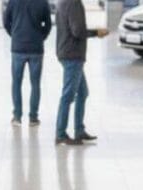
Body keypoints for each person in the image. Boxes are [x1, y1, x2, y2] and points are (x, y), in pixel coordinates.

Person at [54, 0, 107, 145]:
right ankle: (60, 134)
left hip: (66, 52)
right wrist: (97, 32)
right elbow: (77, 31)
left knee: (82, 93)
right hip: (73, 55)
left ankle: (79, 130)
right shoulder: (74, 3)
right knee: (68, 95)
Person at [3, 0, 52, 126]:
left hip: (18, 47)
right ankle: (33, 118)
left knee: (16, 83)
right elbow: (48, 25)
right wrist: (41, 37)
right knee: (35, 84)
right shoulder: (42, 2)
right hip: (36, 48)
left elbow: (6, 21)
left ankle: (17, 117)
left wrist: (14, 34)